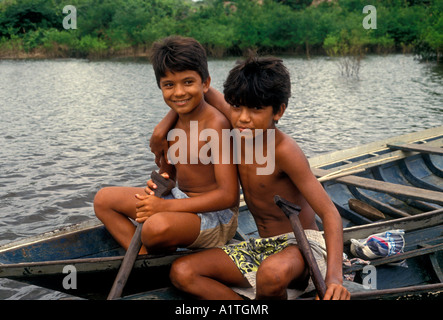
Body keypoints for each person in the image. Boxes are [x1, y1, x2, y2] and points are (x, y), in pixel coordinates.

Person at [151, 56, 350, 299]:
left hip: (302, 247)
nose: (243, 117)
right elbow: (192, 94)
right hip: (264, 248)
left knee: (270, 274)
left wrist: (333, 280)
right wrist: (163, 126)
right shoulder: (241, 126)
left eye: (256, 109)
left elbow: (330, 213)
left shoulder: (283, 151)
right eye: (236, 107)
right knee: (182, 271)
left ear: (279, 111)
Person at [93, 36, 239, 255]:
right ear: (160, 86)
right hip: (180, 201)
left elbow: (228, 196)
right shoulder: (173, 125)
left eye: (188, 82)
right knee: (103, 200)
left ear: (206, 83)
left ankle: (155, 244)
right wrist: (157, 188)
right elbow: (169, 174)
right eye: (169, 85)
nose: (179, 92)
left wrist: (164, 208)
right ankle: (143, 257)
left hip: (215, 217)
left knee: (154, 227)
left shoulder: (216, 125)